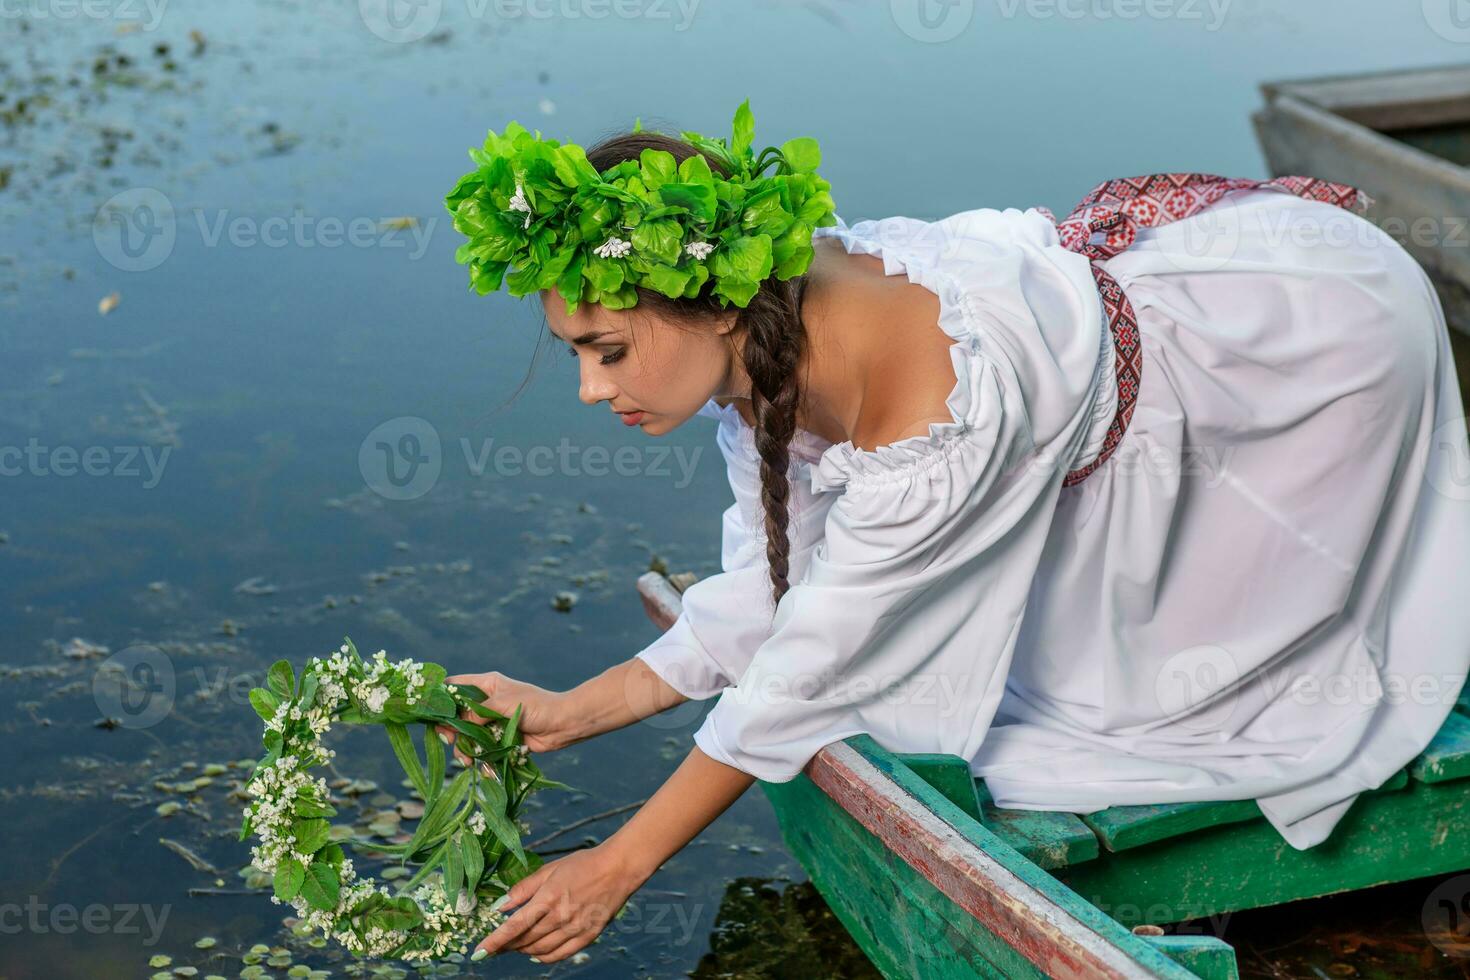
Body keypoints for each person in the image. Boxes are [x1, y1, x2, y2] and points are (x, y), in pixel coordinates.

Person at [439, 109, 1470, 964]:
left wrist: (618, 862)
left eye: (608, 351)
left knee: (1179, 701)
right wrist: (573, 709)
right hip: (1153, 352)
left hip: (1308, 343)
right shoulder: (766, 336)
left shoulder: (932, 405)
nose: (589, 387)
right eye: (577, 351)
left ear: (710, 303)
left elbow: (813, 664)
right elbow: (777, 589)